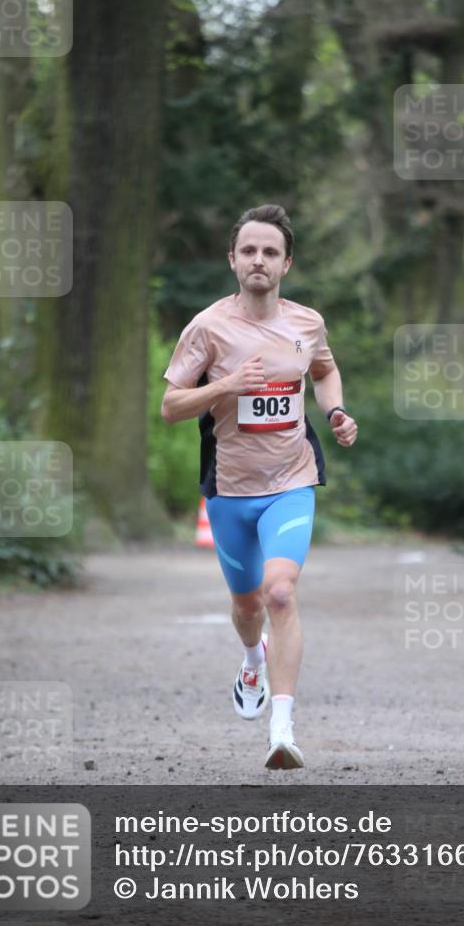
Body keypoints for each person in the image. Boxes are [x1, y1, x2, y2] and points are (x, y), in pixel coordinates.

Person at [161, 204, 358, 769]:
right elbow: (171, 407)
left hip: (291, 481)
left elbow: (323, 371)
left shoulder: (307, 324)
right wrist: (224, 386)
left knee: (280, 593)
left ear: (286, 263)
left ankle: (283, 728)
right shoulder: (207, 327)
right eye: (249, 250)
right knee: (247, 605)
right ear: (232, 260)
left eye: (270, 252)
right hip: (229, 491)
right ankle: (252, 659)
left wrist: (337, 411)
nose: (259, 260)